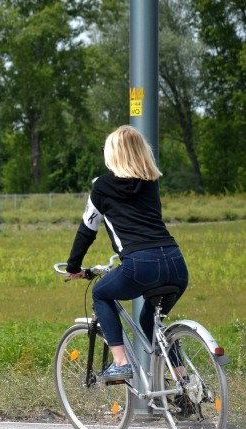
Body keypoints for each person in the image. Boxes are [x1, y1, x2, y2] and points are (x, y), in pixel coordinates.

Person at [65, 125, 189, 381]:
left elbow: (87, 229)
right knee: (151, 324)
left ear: (113, 154)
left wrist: (73, 266)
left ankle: (120, 362)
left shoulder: (101, 186)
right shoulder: (151, 182)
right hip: (176, 263)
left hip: (140, 266)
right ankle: (185, 383)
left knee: (101, 293)